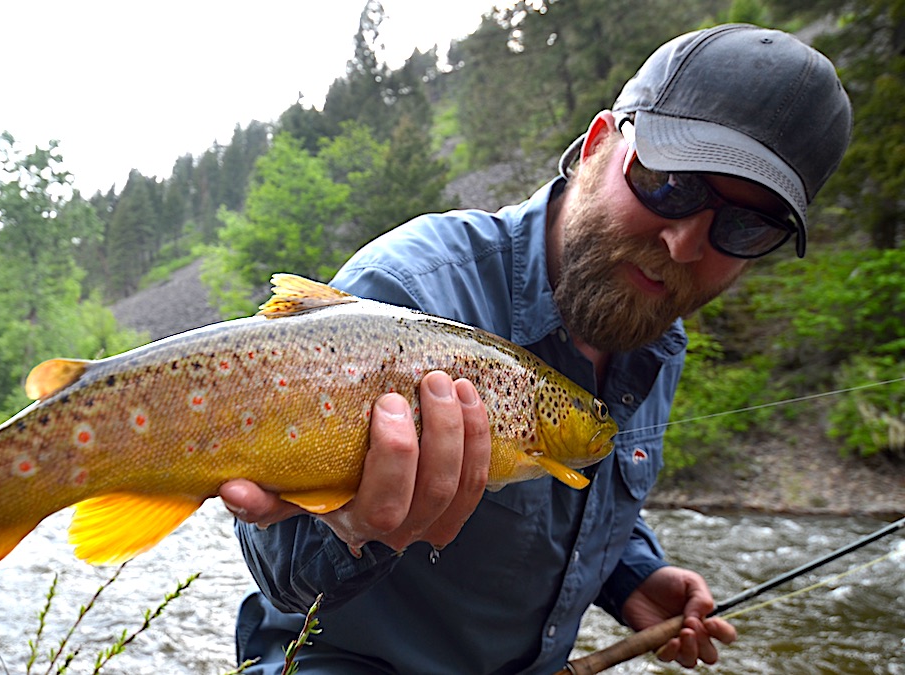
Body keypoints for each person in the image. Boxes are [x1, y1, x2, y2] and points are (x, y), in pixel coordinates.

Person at [219, 23, 852, 674]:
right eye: (671, 182)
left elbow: (579, 485)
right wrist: (359, 529)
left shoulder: (658, 331)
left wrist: (630, 575)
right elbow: (281, 575)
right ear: (599, 145)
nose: (684, 243)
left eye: (745, 226)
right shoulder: (407, 292)